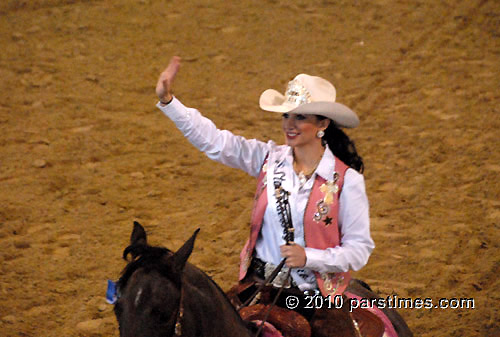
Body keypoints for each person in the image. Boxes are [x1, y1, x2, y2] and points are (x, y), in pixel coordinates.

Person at [155, 56, 378, 334]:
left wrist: (310, 258)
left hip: (316, 299)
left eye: (300, 117)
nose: (289, 124)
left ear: (323, 124)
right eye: (286, 115)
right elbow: (215, 142)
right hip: (261, 288)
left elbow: (359, 249)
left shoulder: (348, 181)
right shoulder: (269, 159)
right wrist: (169, 102)